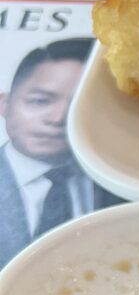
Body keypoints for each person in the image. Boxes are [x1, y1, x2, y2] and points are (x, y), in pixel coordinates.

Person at [0, 38, 119, 269]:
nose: (57, 119)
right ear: (4, 104)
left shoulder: (124, 180)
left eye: (80, 105)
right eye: (40, 101)